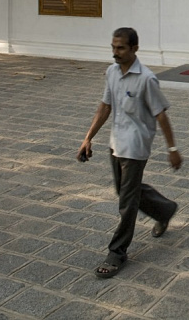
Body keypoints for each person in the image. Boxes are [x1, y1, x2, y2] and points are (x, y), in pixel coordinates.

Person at [77, 27, 182, 279]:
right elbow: (105, 106)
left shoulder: (146, 79)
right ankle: (164, 209)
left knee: (127, 202)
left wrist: (173, 149)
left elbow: (161, 115)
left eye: (121, 48)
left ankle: (117, 252)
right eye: (113, 47)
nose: (116, 53)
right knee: (125, 191)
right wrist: (88, 137)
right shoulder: (111, 72)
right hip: (116, 143)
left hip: (136, 147)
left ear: (134, 48)